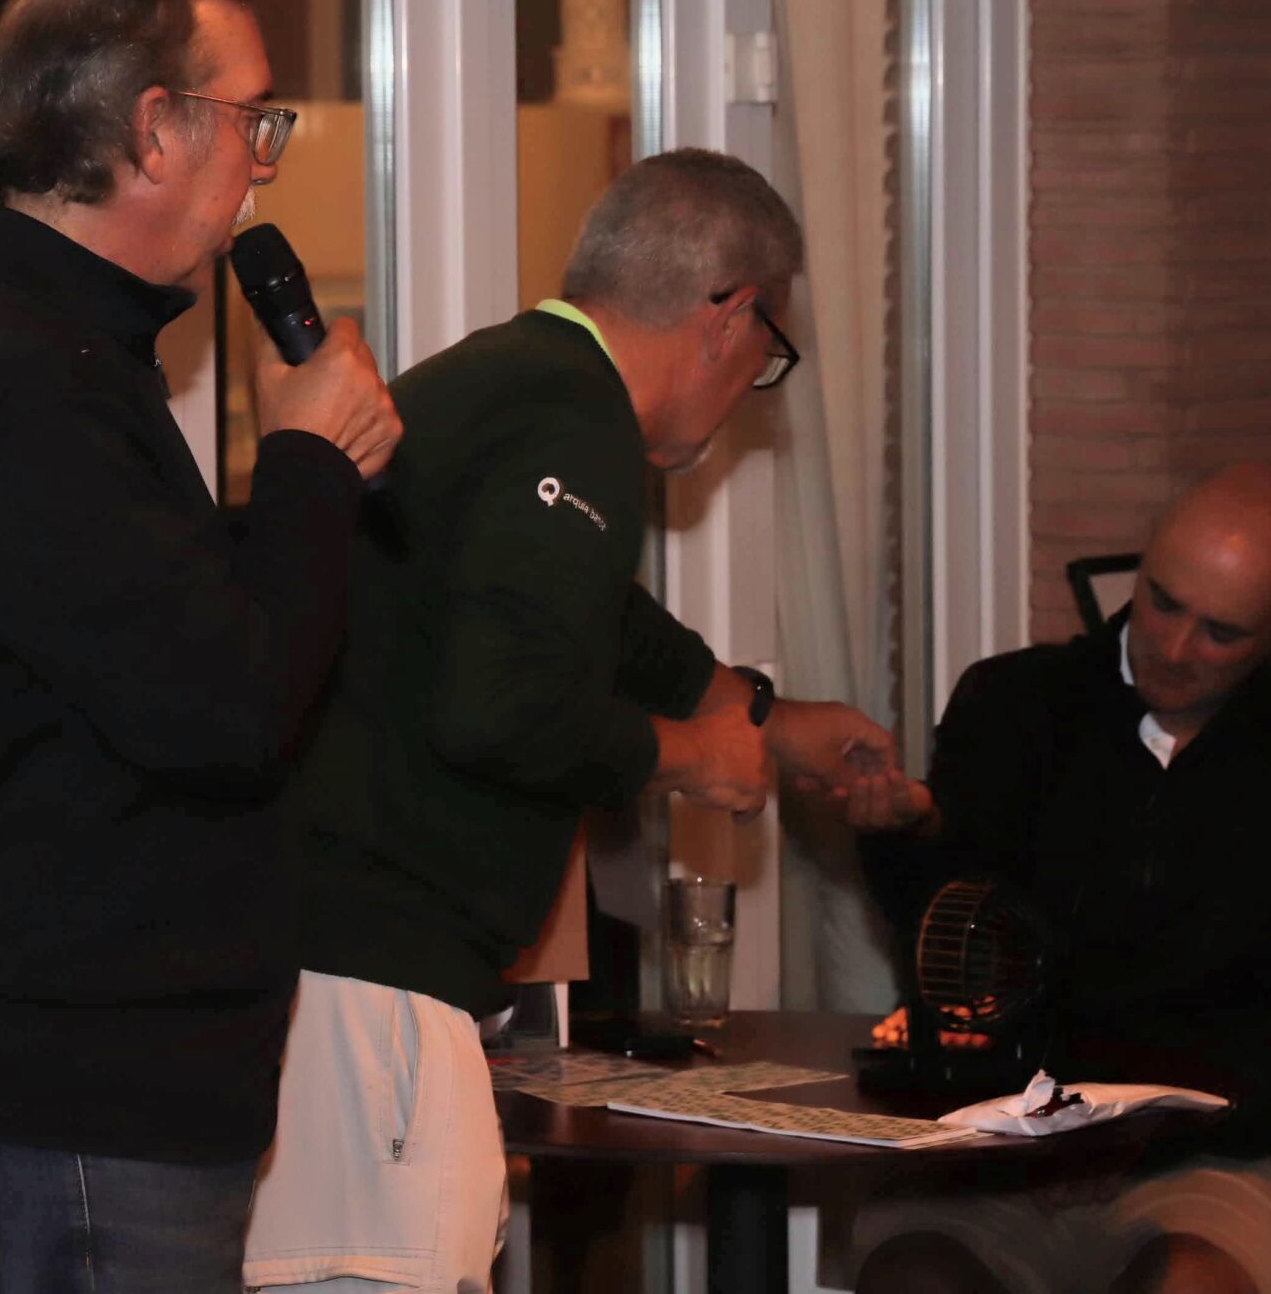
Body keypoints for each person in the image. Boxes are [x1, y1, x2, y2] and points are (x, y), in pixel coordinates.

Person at [0, 0, 401, 1292]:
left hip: (100, 1105)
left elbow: (150, 661)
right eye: (252, 119)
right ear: (152, 129)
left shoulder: (63, 349)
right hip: (51, 1115)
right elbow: (224, 709)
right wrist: (308, 462)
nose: (264, 161)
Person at [244, 150, 910, 1294]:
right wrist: (690, 756)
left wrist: (754, 712)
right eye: (767, 353)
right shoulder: (576, 422)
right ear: (730, 315)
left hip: (323, 965)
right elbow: (500, 705)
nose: (751, 384)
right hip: (376, 985)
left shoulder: (505, 377)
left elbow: (585, 611)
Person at [844, 464, 1271, 1294]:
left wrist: (1151, 1129)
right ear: (1139, 569)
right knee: (916, 1279)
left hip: (1208, 1153)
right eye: (1162, 602)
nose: (1174, 649)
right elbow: (944, 935)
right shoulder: (1015, 701)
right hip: (998, 1146)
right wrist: (905, 832)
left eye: (1221, 632)